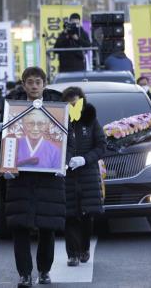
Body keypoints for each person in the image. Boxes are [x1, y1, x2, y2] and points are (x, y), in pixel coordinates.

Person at [4, 66, 73, 287]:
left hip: (49, 179)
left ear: (44, 84)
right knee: (20, 228)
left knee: (47, 228)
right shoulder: (13, 108)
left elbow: (67, 142)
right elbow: (7, 140)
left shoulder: (57, 108)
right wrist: (7, 166)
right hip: (21, 179)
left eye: (38, 82)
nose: (34, 86)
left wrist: (63, 161)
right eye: (30, 82)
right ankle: (24, 273)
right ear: (23, 84)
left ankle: (44, 270)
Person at [61, 87, 106, 267]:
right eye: (69, 101)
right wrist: (65, 161)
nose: (73, 104)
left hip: (87, 174)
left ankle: (84, 248)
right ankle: (72, 254)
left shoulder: (91, 120)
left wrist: (84, 159)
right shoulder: (60, 121)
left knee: (87, 215)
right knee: (69, 215)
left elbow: (101, 146)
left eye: (76, 101)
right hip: (67, 175)